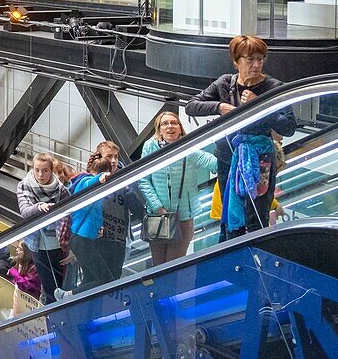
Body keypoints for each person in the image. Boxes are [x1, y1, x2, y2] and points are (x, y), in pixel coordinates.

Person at [184, 35, 297, 241]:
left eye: (260, 59)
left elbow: (289, 127)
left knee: (256, 212)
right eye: (249, 60)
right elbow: (191, 105)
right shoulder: (225, 83)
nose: (256, 65)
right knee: (230, 211)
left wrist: (259, 105)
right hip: (228, 156)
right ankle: (230, 253)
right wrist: (219, 106)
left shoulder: (273, 86)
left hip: (260, 158)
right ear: (236, 61)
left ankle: (254, 255)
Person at [137, 112, 219, 265]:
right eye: (165, 124)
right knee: (158, 264)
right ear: (159, 130)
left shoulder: (189, 148)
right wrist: (158, 207)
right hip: (157, 216)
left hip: (183, 217)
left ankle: (173, 289)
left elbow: (213, 163)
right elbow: (143, 180)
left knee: (174, 264)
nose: (170, 127)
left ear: (180, 129)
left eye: (174, 123)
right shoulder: (150, 147)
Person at [67, 141, 142, 296]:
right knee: (96, 280)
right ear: (100, 158)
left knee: (111, 281)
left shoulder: (125, 179)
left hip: (119, 240)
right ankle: (73, 299)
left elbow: (137, 208)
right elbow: (76, 210)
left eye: (115, 157)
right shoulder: (91, 179)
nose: (113, 161)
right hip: (97, 239)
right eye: (109, 157)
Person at [16, 153, 69, 304]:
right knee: (50, 288)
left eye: (45, 170)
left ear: (51, 170)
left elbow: (72, 212)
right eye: (37, 170)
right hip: (38, 244)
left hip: (59, 243)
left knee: (61, 286)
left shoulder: (61, 189)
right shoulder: (25, 186)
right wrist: (40, 207)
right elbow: (25, 211)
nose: (40, 174)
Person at [8, 242, 41, 316]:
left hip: (29, 304)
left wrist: (14, 273)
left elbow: (27, 285)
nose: (16, 250)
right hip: (18, 301)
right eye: (17, 248)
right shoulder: (18, 263)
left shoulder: (34, 268)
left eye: (20, 249)